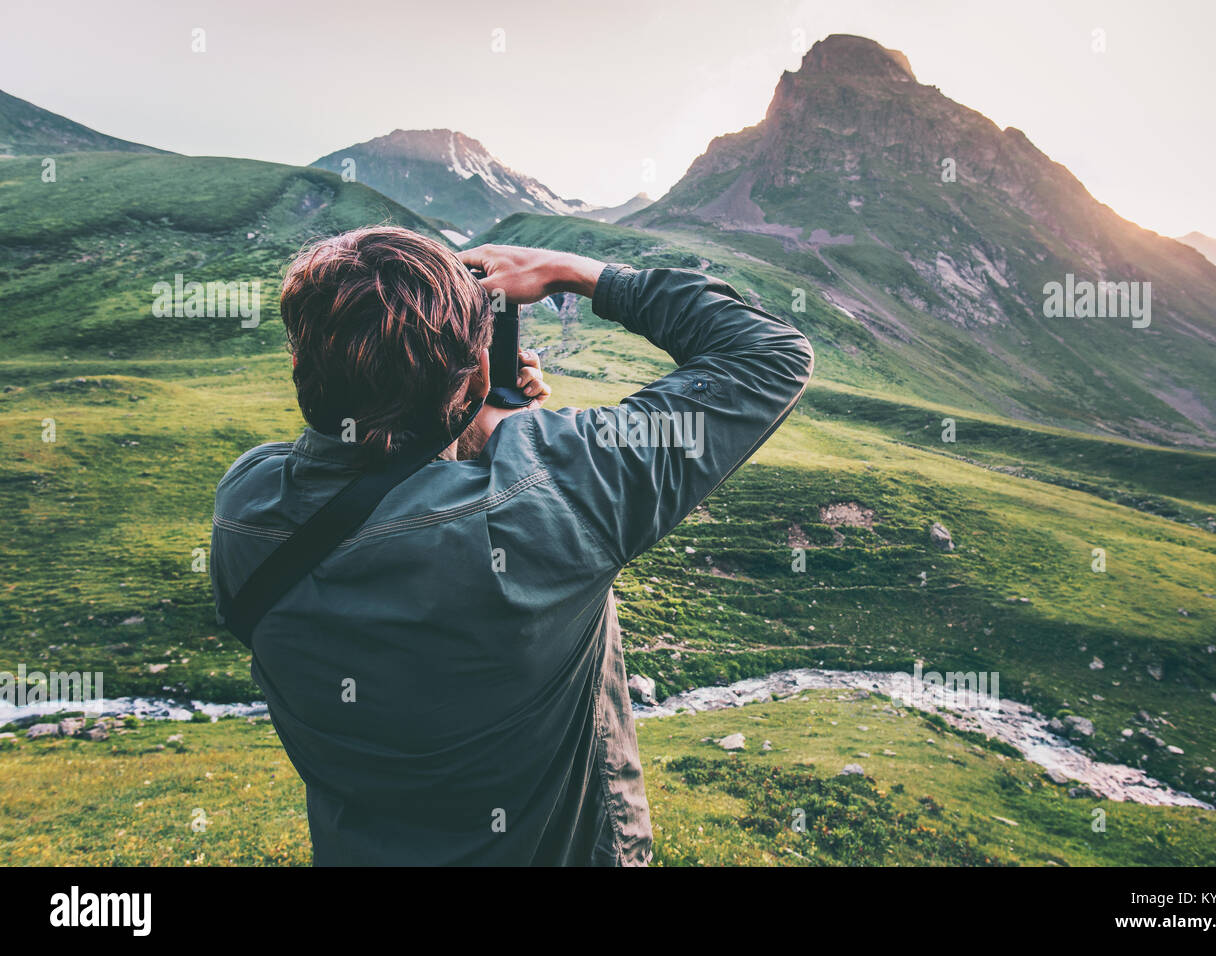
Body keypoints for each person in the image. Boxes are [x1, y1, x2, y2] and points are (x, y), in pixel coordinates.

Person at [210, 226, 814, 865]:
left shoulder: (246, 511)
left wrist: (472, 410)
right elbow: (767, 353)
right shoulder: (553, 496)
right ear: (475, 376)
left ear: (301, 365)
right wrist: (578, 273)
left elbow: (364, 466)